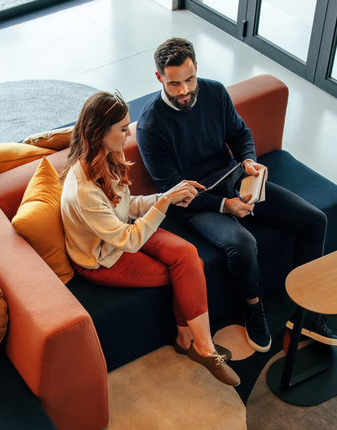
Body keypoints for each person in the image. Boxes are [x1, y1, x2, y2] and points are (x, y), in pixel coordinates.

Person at [135, 37, 337, 353]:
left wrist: (248, 159)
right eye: (175, 84)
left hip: (234, 180)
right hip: (194, 202)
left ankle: (308, 314)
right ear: (159, 79)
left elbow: (240, 133)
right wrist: (225, 206)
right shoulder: (151, 126)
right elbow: (174, 192)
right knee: (242, 244)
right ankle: (253, 308)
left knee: (314, 220)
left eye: (190, 80)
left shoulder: (214, 92)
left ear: (196, 70)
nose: (184, 91)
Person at [60, 90, 240, 386]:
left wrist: (166, 196)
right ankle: (203, 348)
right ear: (100, 132)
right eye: (122, 129)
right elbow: (128, 241)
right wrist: (163, 204)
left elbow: (127, 206)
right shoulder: (84, 191)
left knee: (188, 255)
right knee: (181, 272)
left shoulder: (107, 156)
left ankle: (188, 340)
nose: (128, 134)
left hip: (123, 231)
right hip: (101, 259)